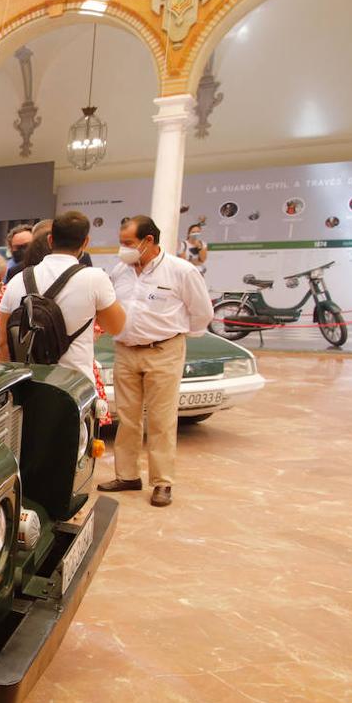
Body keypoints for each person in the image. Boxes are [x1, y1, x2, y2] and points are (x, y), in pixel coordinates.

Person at [99, 214, 214, 508]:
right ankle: (127, 476)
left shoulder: (181, 271)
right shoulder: (120, 270)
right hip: (125, 351)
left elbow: (202, 313)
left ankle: (162, 482)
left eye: (128, 243)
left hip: (163, 351)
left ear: (148, 241)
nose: (122, 249)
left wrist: (175, 337)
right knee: (127, 418)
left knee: (162, 420)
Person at [0, 210, 126, 381]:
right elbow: (116, 327)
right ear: (85, 242)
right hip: (74, 384)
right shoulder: (95, 279)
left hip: (28, 385)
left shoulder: (17, 280)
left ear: (50, 240)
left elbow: (3, 343)